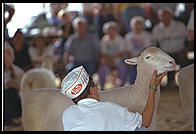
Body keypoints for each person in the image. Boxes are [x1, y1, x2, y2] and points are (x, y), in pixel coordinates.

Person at [61, 66, 166, 131]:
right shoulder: (111, 108)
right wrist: (152, 88)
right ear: (92, 91)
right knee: (141, 129)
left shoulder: (67, 113)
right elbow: (146, 122)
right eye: (96, 87)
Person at [152, 7, 188, 87]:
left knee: (185, 62)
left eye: (166, 15)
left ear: (171, 15)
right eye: (162, 16)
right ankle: (165, 85)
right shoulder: (156, 28)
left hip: (180, 52)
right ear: (159, 17)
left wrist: (186, 49)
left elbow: (189, 40)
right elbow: (154, 44)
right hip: (164, 54)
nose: (165, 17)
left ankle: (186, 84)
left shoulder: (180, 26)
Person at [98, 21, 127, 89]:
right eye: (109, 31)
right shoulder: (104, 39)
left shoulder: (120, 39)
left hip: (118, 60)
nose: (110, 33)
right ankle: (102, 87)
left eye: (112, 31)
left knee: (123, 68)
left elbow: (121, 53)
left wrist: (112, 60)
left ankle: (121, 86)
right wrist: (109, 60)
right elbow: (103, 53)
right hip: (107, 60)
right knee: (102, 69)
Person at [125, 16, 153, 84]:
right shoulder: (128, 36)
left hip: (144, 58)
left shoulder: (147, 35)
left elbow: (147, 49)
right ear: (132, 26)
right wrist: (130, 60)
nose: (137, 27)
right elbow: (128, 51)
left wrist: (139, 59)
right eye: (135, 25)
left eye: (139, 25)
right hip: (133, 58)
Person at [4, 41, 24, 127]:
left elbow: (23, 85)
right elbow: (8, 83)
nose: (11, 55)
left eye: (11, 53)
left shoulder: (18, 70)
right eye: (8, 54)